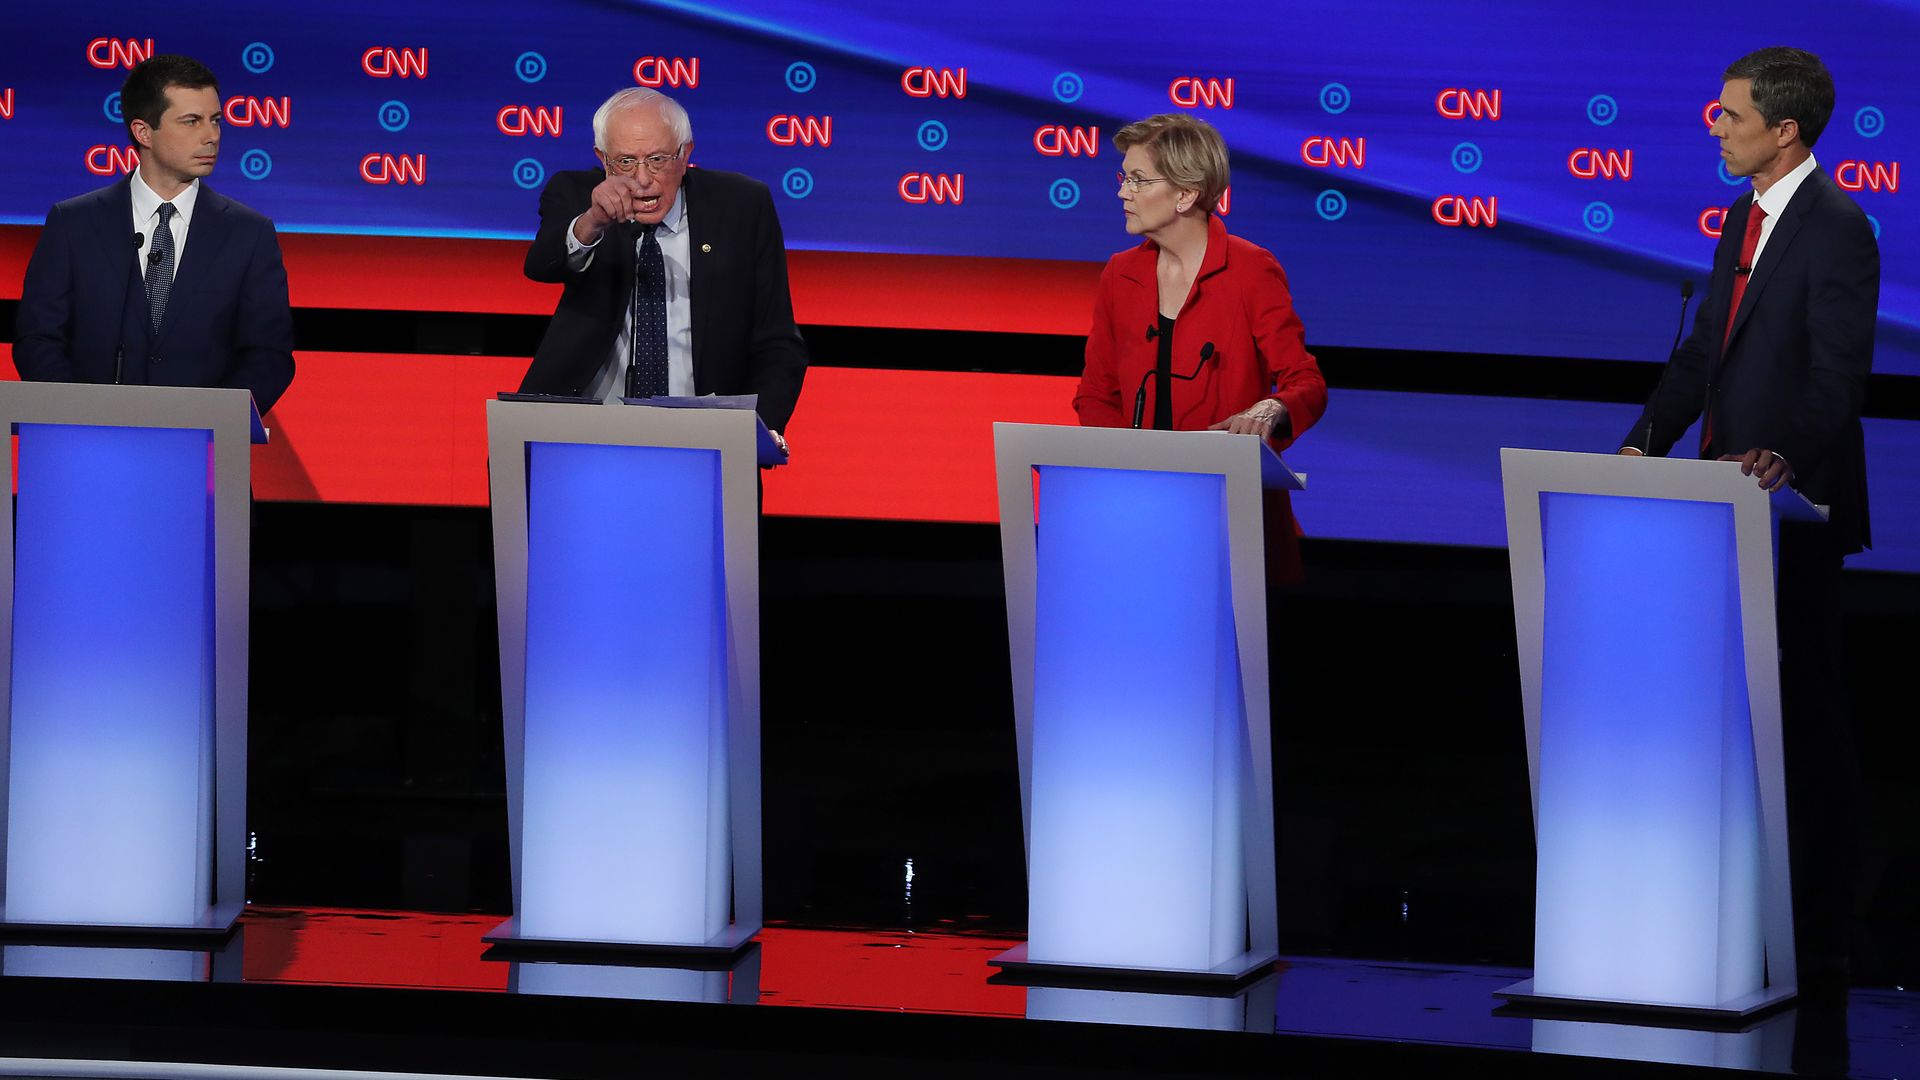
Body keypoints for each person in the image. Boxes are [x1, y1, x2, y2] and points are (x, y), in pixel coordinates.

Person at [1621, 47, 1878, 991]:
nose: (1715, 126)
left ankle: (1821, 934)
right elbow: (1705, 355)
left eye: (1730, 115)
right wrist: (1643, 442)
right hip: (1716, 509)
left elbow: (1839, 376)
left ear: (1785, 131)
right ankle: (1729, 911)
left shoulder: (1840, 227)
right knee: (1725, 714)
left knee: (1804, 715)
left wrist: (1786, 460)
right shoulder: (1743, 216)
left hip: (1790, 511)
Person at [1073, 113, 1327, 582]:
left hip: (1230, 517)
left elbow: (1305, 382)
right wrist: (1127, 473)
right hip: (1138, 520)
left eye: (1137, 179)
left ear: (1185, 194)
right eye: (1123, 177)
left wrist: (1271, 409)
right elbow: (1095, 394)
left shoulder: (1251, 270)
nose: (1122, 192)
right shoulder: (1120, 274)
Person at [518, 87, 807, 444]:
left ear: (685, 154)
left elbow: (777, 340)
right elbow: (542, 265)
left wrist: (757, 430)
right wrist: (591, 221)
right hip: (587, 432)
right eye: (625, 162)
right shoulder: (576, 194)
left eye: (657, 159)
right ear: (603, 158)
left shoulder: (742, 207)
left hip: (706, 439)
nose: (641, 179)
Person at [15, 54, 295, 413]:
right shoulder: (74, 223)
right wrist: (77, 414)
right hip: (87, 446)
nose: (211, 136)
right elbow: (38, 339)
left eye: (215, 120)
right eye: (191, 122)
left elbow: (269, 354)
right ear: (143, 132)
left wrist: (213, 420)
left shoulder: (249, 234)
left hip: (202, 450)